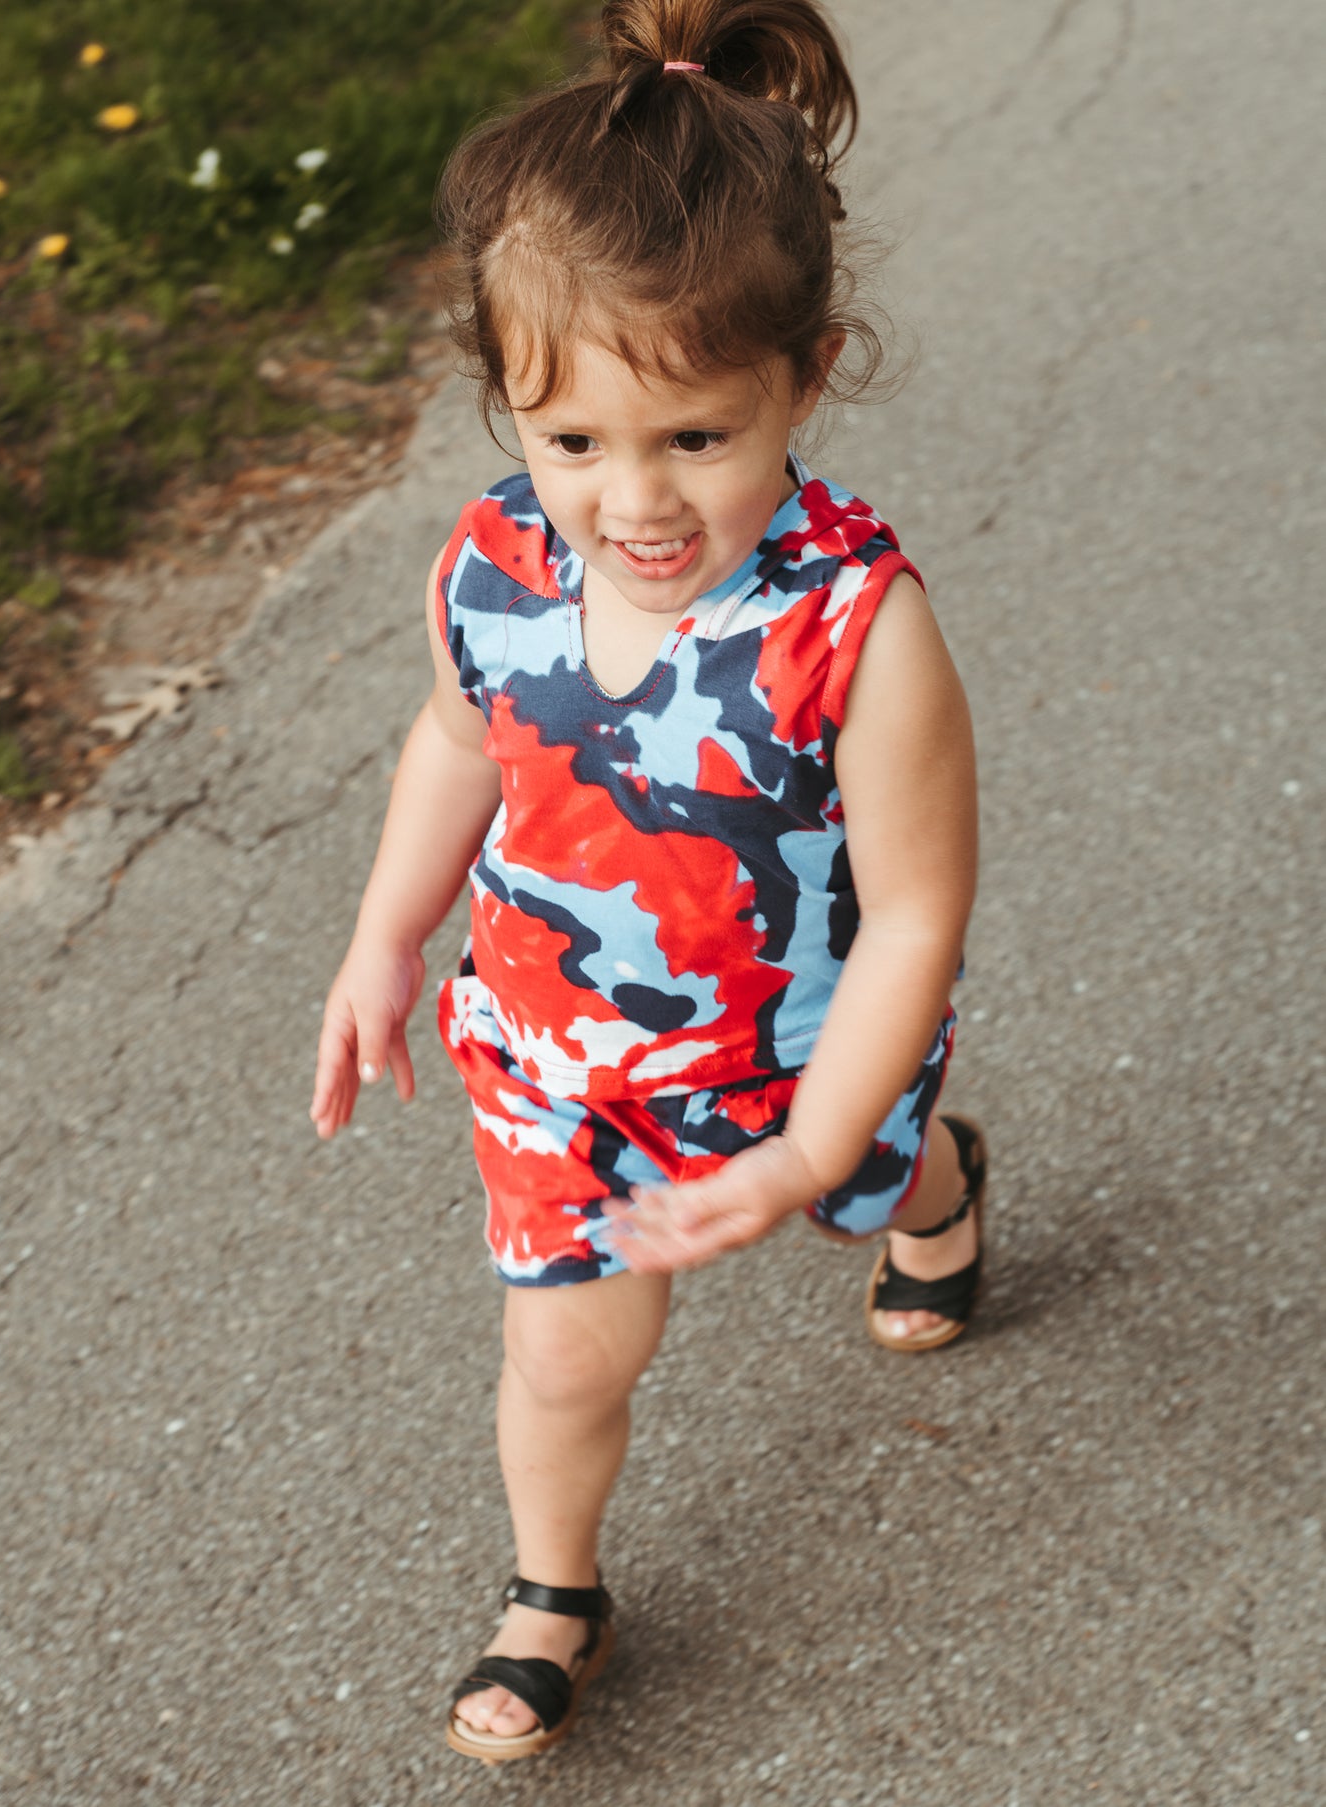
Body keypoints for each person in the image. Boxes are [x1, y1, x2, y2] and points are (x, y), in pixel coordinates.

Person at [310, 0, 984, 1766]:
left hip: (799, 1048)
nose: (636, 503)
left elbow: (915, 913)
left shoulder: (854, 627)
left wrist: (815, 1145)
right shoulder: (494, 563)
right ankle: (558, 1591)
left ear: (806, 375)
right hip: (555, 1062)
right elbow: (460, 744)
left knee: (875, 1167)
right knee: (560, 1361)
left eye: (695, 437)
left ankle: (929, 1182)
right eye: (575, 443)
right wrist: (387, 936)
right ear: (508, 403)